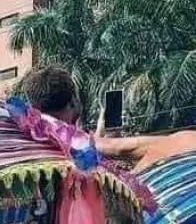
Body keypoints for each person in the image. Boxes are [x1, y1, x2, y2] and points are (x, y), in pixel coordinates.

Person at [21, 65, 196, 172]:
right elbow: (120, 149)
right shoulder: (64, 136)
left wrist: (101, 133)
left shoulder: (29, 133)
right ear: (73, 100)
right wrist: (178, 141)